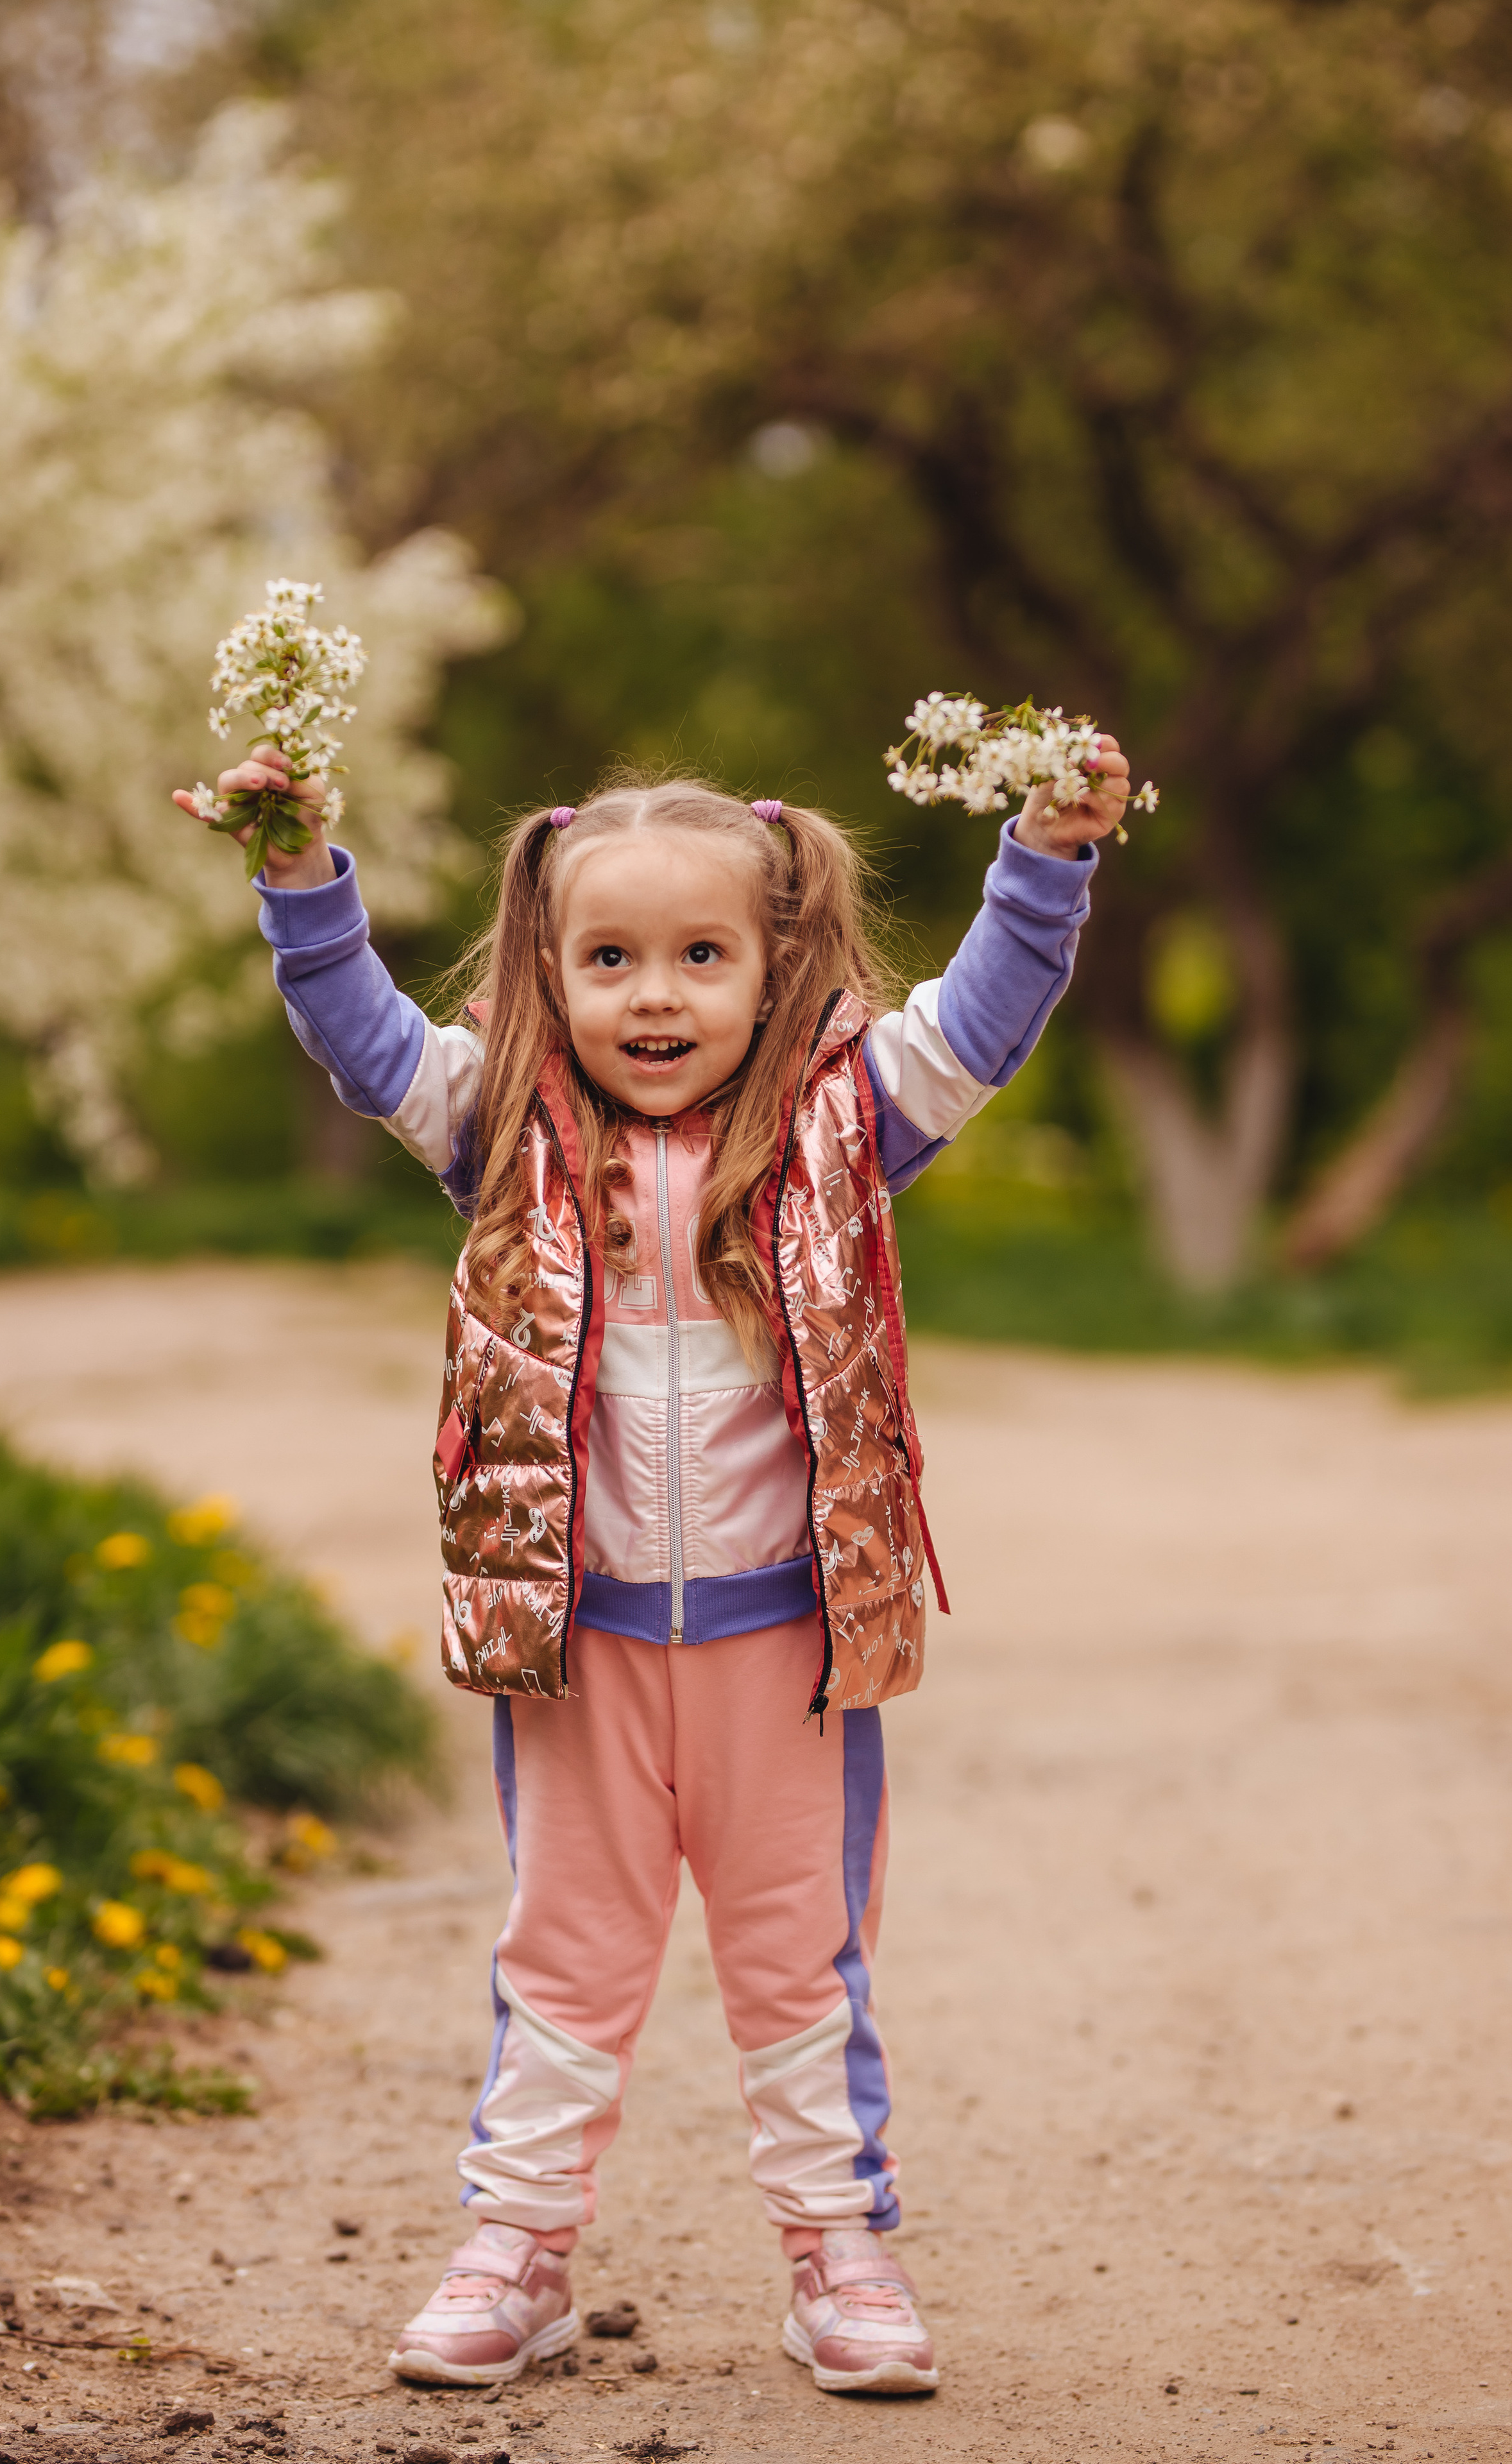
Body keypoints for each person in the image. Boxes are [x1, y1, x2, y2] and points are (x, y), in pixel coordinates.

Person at [173, 744, 1132, 2397]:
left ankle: (837, 2251)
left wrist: (1043, 858)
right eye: (607, 959)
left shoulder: (846, 1123)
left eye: (702, 956)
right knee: (565, 1955)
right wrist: (300, 875)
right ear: (548, 970)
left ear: (775, 971)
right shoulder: (497, 1129)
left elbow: (982, 1018)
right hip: (579, 1645)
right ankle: (518, 2247)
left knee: (797, 1962)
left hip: (783, 1650)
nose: (655, 997)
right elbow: (362, 1037)